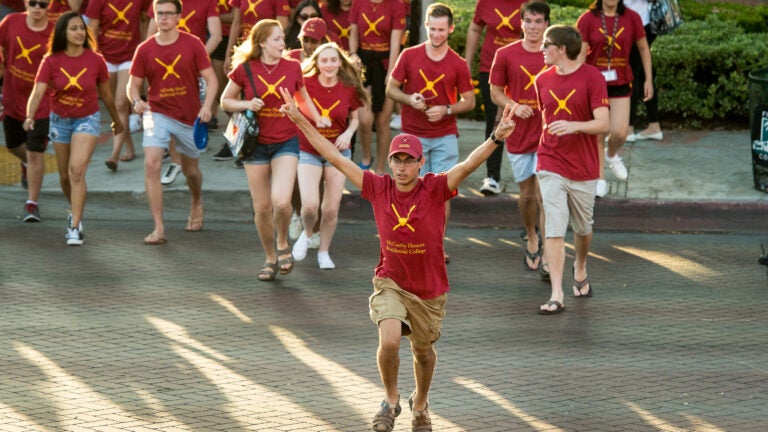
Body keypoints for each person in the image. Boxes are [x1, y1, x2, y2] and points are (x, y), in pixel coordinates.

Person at [279, 85, 518, 432]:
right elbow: (333, 156)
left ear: (421, 163)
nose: (402, 166)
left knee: (423, 353)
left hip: (429, 288)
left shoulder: (435, 187)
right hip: (390, 279)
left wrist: (497, 137)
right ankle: (390, 400)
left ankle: (419, 402)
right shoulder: (377, 187)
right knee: (389, 339)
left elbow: (467, 165)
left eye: (409, 160)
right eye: (397, 160)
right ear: (389, 162)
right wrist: (300, 118)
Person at [219, 19, 326, 281]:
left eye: (282, 38)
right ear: (263, 42)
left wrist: (317, 118)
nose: (283, 43)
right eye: (277, 39)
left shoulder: (292, 67)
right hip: (255, 145)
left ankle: (281, 242)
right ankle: (269, 257)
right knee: (263, 208)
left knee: (281, 202)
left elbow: (303, 98)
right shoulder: (245, 69)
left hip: (285, 141)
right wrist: (246, 102)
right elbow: (224, 101)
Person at [385, 2, 474, 264]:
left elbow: (469, 101)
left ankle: (436, 244)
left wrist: (446, 110)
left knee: (441, 193)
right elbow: (391, 89)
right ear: (425, 26)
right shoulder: (409, 55)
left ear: (451, 29)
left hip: (445, 134)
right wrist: (409, 99)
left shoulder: (457, 63)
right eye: (432, 29)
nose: (436, 35)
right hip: (413, 136)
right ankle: (411, 241)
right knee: (413, 192)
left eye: (441, 30)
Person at [24, 10, 123, 245]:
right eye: (74, 29)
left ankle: (75, 226)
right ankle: (73, 209)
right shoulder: (50, 60)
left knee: (77, 171)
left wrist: (117, 120)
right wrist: (29, 116)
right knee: (65, 176)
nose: (79, 32)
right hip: (59, 121)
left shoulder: (96, 60)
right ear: (63, 33)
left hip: (87, 119)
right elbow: (38, 91)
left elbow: (107, 96)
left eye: (81, 28)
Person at [127, 0, 218, 245]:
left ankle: (197, 200)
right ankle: (158, 227)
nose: (164, 18)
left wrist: (207, 106)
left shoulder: (193, 44)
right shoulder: (144, 49)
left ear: (178, 16)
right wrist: (136, 100)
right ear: (154, 17)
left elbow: (212, 80)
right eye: (159, 14)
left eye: (169, 13)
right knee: (151, 164)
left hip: (189, 117)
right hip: (156, 113)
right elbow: (132, 85)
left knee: (191, 171)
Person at [533, 24, 609, 314]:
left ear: (561, 49)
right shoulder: (542, 79)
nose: (542, 50)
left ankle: (580, 264)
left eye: (546, 45)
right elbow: (546, 119)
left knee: (583, 228)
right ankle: (556, 294)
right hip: (550, 161)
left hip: (584, 168)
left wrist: (574, 126)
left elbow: (603, 123)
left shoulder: (592, 77)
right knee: (553, 227)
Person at [291, 42, 367, 269]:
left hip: (338, 151)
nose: (329, 65)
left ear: (340, 62)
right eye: (324, 60)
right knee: (310, 206)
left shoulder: (348, 86)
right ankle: (307, 234)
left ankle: (324, 251)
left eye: (333, 60)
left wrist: (348, 134)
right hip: (309, 150)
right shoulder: (306, 84)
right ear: (316, 62)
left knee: (331, 208)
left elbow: (355, 119)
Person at [489, 0, 549, 273]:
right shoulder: (505, 54)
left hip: (550, 135)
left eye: (538, 21)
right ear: (521, 22)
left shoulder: (554, 54)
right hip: (519, 134)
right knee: (526, 195)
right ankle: (531, 234)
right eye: (529, 21)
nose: (533, 27)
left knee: (544, 193)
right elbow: (495, 93)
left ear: (547, 24)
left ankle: (549, 248)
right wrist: (514, 106)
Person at [577, 0, 652, 197]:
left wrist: (648, 79)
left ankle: (611, 155)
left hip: (620, 81)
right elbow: (581, 54)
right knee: (598, 133)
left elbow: (644, 49)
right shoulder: (587, 19)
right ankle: (599, 178)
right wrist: (576, 83)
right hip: (595, 84)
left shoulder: (631, 17)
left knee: (620, 133)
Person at [146, 0, 221, 185]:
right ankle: (175, 161)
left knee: (191, 111)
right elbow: (150, 35)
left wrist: (195, 58)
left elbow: (216, 35)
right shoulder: (162, 2)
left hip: (194, 65)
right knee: (167, 109)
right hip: (166, 66)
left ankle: (188, 159)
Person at [465, 0, 527, 196]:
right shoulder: (485, 2)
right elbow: (475, 29)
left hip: (523, 69)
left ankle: (532, 175)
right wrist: (466, 63)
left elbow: (539, 30)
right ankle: (493, 176)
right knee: (495, 121)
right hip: (490, 68)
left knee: (528, 119)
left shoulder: (530, 2)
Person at [0, 0, 54, 222]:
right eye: (33, 3)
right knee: (13, 145)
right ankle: (27, 165)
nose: (37, 8)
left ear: (49, 6)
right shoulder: (11, 22)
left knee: (35, 152)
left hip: (42, 102)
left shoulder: (53, 32)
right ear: (26, 3)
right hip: (13, 97)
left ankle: (32, 204)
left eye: (43, 4)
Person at [86, 0, 149, 171]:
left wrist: (144, 46)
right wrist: (94, 57)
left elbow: (146, 18)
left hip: (131, 56)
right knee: (114, 107)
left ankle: (114, 155)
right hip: (105, 57)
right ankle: (129, 147)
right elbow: (92, 29)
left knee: (121, 103)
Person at [348, 0, 406, 174]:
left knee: (382, 121)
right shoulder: (358, 3)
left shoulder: (397, 5)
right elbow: (354, 33)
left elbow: (396, 42)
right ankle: (366, 156)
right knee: (365, 120)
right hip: (364, 62)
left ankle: (381, 166)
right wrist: (353, 56)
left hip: (386, 62)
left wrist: (392, 73)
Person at [625, 0, 662, 142]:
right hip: (644, 21)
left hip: (638, 22)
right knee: (642, 74)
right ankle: (654, 125)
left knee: (631, 74)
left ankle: (628, 128)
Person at [223, 0, 289, 74]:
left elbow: (282, 28)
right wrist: (228, 55)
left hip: (266, 51)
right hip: (245, 51)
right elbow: (236, 24)